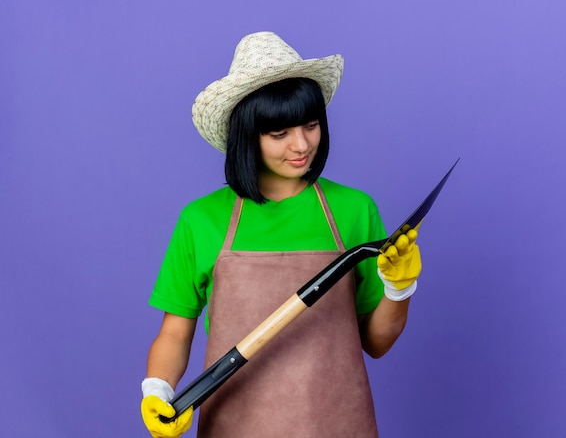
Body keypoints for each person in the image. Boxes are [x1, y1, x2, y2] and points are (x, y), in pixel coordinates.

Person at [140, 31, 422, 438]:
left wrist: (399, 289)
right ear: (247, 136)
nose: (301, 145)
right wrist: (158, 390)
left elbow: (376, 342)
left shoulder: (354, 210)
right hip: (234, 423)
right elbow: (174, 331)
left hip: (337, 422)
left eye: (310, 125)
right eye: (279, 134)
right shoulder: (201, 220)